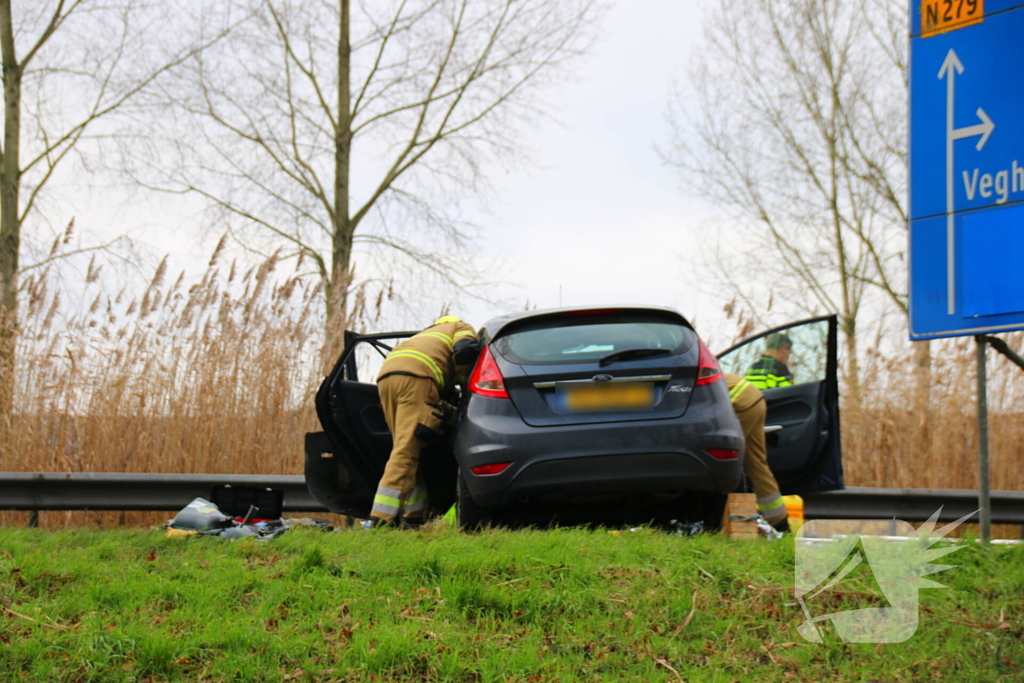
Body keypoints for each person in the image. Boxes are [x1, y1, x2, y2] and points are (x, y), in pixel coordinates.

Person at [367, 316, 480, 527]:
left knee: (409, 449)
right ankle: (380, 520)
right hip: (418, 377)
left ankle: (414, 517)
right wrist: (466, 385)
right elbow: (466, 349)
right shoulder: (460, 326)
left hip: (386, 378)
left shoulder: (422, 336)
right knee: (405, 451)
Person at [725, 371, 790, 532]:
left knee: (719, 460)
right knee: (754, 463)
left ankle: (721, 521)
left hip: (738, 402)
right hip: (753, 398)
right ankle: (779, 523)